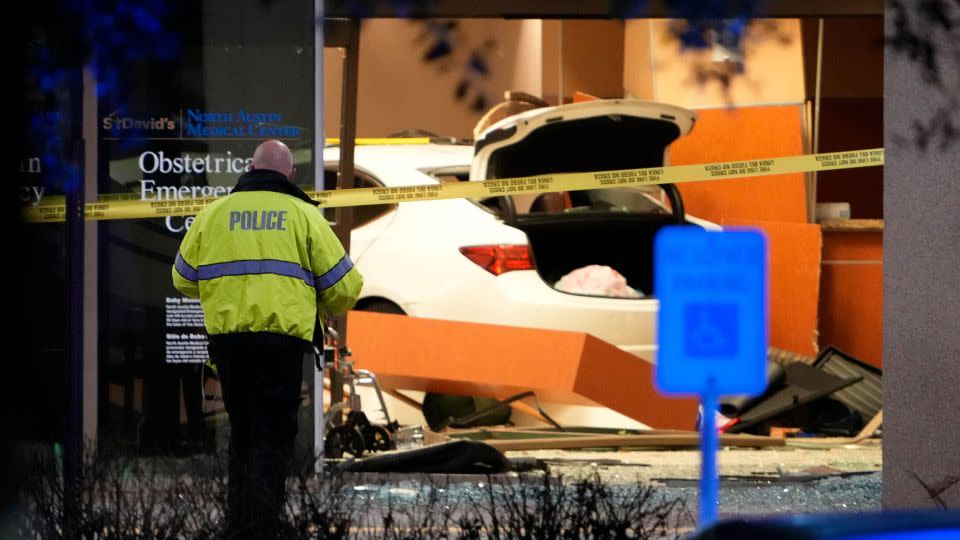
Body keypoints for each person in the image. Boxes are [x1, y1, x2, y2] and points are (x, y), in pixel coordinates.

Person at [172, 140, 362, 538]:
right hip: (281, 345)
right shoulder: (304, 215)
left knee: (242, 431)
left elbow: (182, 278)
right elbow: (345, 288)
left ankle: (238, 523)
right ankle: (264, 524)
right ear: (290, 175)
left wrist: (226, 292)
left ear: (249, 168)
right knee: (274, 433)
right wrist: (314, 295)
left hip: (231, 345)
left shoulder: (214, 214)